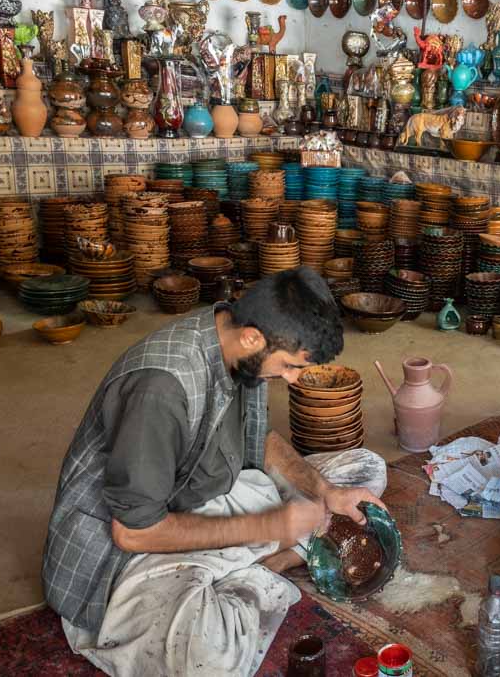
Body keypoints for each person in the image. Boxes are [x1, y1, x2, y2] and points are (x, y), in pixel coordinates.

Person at [42, 267, 387, 676]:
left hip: (215, 489)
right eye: (290, 365)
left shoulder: (234, 337)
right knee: (209, 658)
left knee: (365, 468)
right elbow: (133, 532)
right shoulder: (160, 389)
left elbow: (259, 436)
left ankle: (273, 554)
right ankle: (268, 562)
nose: (294, 380)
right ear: (253, 338)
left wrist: (325, 490)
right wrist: (268, 526)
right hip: (129, 547)